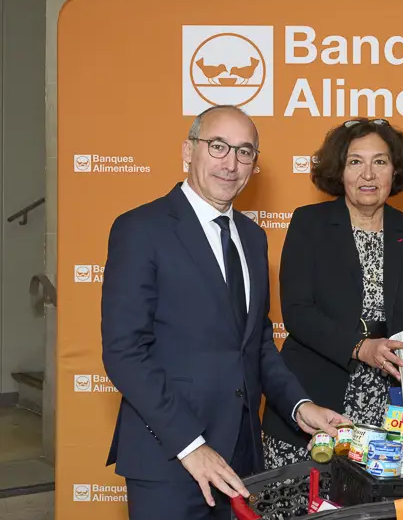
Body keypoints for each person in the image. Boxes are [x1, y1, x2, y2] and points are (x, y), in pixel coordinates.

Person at [100, 105, 349, 520]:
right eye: (218, 147)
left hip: (242, 458)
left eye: (245, 152)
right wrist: (190, 446)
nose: (231, 163)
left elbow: (257, 345)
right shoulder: (141, 229)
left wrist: (299, 405)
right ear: (188, 151)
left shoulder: (252, 238)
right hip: (170, 458)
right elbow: (125, 352)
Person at [262, 118, 403, 468]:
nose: (368, 175)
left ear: (395, 170)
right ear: (339, 170)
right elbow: (298, 312)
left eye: (380, 161)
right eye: (355, 162)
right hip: (314, 405)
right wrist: (361, 348)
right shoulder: (309, 224)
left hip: (387, 412)